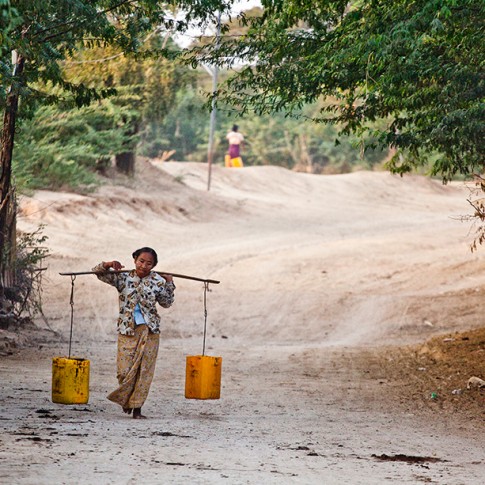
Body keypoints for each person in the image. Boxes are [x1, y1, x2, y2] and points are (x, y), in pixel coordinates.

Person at [92, 247, 175, 419]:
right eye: (141, 261)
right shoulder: (123, 277)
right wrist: (108, 264)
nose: (144, 266)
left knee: (144, 371)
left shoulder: (157, 282)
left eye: (149, 263)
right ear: (135, 260)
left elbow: (166, 303)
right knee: (124, 371)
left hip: (150, 330)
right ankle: (126, 399)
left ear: (153, 266)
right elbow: (97, 272)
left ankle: (137, 408)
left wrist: (169, 283)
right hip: (127, 329)